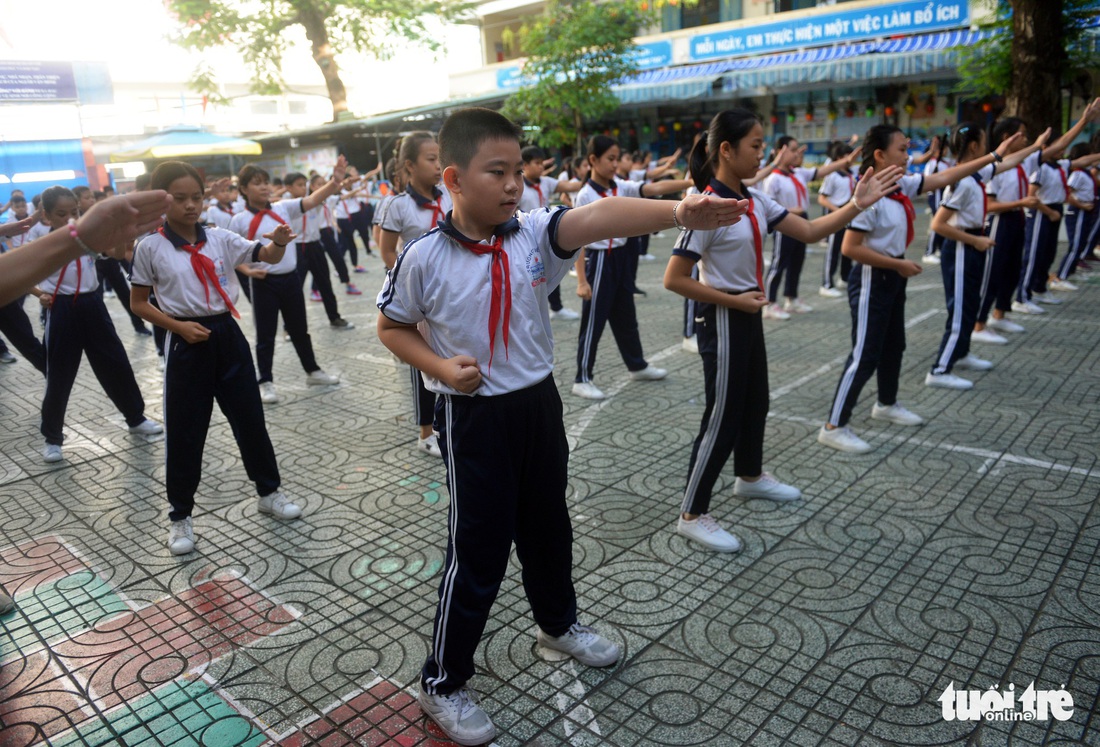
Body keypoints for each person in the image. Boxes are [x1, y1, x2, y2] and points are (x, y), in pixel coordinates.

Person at [376, 107, 746, 747]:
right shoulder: (423, 257)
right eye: (498, 172)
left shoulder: (532, 235)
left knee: (549, 526)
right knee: (478, 551)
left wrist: (678, 213)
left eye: (519, 171)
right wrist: (438, 366)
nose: (514, 184)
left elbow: (598, 217)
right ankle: (443, 681)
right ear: (456, 179)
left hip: (538, 408)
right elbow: (391, 326)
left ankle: (558, 624)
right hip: (475, 418)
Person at [665, 109, 901, 552]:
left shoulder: (754, 200)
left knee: (757, 401)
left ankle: (750, 477)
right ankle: (692, 512)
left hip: (747, 312)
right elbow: (674, 279)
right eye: (755, 145)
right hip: (724, 315)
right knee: (722, 416)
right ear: (726, 150)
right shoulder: (706, 205)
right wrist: (735, 301)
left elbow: (810, 231)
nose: (763, 153)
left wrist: (856, 205)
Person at [817, 124, 1027, 454]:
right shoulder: (868, 194)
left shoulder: (898, 184)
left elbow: (946, 177)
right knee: (864, 354)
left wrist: (994, 155)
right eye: (902, 149)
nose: (909, 155)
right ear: (880, 155)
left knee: (894, 345)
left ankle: (885, 403)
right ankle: (833, 425)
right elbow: (850, 248)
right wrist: (899, 265)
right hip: (874, 277)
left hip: (892, 274)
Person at [130, 161, 301, 556]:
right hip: (187, 342)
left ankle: (269, 492)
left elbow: (266, 257)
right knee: (186, 431)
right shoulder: (150, 246)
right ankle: (179, 516)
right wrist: (177, 326)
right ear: (162, 200)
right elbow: (139, 302)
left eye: (197, 197)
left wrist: (278, 242)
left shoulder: (219, 237)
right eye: (180, 198)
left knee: (250, 419)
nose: (191, 206)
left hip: (227, 335)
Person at [25, 187, 163, 464]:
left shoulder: (86, 234)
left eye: (74, 212)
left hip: (92, 305)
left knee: (115, 362)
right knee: (59, 375)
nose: (69, 218)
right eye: (61, 214)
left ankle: (135, 418)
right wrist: (41, 294)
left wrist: (121, 233)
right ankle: (53, 438)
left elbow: (112, 254)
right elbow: (23, 273)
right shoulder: (38, 238)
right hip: (62, 309)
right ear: (46, 215)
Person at [926, 122, 1049, 390]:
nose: (988, 147)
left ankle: (961, 354)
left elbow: (1008, 162)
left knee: (970, 305)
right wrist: (975, 240)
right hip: (961, 247)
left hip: (972, 245)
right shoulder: (962, 182)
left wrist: (1035, 146)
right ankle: (939, 369)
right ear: (974, 147)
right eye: (984, 142)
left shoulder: (974, 175)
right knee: (959, 311)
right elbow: (938, 225)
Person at [572, 135, 693, 400]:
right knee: (594, 320)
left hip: (623, 258)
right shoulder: (585, 194)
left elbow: (651, 189)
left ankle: (636, 365)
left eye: (617, 158)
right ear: (593, 160)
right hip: (600, 259)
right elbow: (578, 241)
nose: (615, 164)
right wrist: (582, 280)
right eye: (610, 159)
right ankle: (582, 378)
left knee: (626, 317)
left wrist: (692, 182)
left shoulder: (622, 187)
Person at [228, 161, 344, 404]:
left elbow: (311, 200)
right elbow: (229, 254)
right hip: (264, 283)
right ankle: (266, 381)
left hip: (291, 279)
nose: (263, 187)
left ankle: (313, 371)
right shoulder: (239, 219)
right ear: (244, 189)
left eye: (265, 182)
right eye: (256, 183)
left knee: (300, 329)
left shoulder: (283, 208)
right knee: (266, 335)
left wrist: (334, 183)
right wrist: (248, 271)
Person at [379, 132, 453, 457]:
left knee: (450, 355)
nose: (438, 166)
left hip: (452, 289)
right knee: (421, 363)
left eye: (440, 158)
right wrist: (415, 291)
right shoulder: (398, 205)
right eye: (431, 159)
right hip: (419, 294)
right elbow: (386, 253)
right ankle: (426, 433)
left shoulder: (451, 195)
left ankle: (449, 418)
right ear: (409, 165)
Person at [760, 136, 860, 320]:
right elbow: (766, 207)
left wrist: (845, 161)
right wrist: (789, 210)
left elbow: (821, 172)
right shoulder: (773, 178)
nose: (798, 153)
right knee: (779, 263)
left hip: (802, 221)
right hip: (784, 222)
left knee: (797, 262)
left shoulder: (797, 173)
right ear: (781, 151)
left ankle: (791, 298)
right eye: (793, 149)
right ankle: (770, 303)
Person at [517, 145, 583, 320]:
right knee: (529, 277)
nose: (540, 167)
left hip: (544, 233)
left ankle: (556, 307)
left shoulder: (546, 182)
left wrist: (588, 178)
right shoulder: (518, 184)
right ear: (524, 165)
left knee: (552, 270)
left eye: (541, 163)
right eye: (536, 163)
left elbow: (568, 186)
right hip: (524, 237)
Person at [284, 171, 354, 330]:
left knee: (325, 284)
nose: (303, 188)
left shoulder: (313, 201)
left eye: (304, 185)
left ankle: (335, 318)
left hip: (315, 246)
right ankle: (290, 326)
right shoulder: (285, 206)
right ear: (288, 188)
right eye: (299, 185)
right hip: (296, 247)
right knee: (295, 289)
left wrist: (336, 181)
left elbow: (322, 195)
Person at [1052, 142, 1098, 286]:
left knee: (1081, 244)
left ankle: (1070, 271)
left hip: (1085, 211)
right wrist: (1081, 205)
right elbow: (1068, 193)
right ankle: (1060, 277)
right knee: (1075, 245)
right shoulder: (1077, 174)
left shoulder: (1085, 173)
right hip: (1078, 212)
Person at [817, 141, 857, 298]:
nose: (852, 159)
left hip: (849, 215)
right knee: (833, 251)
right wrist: (839, 211)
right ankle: (826, 284)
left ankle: (845, 277)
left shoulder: (851, 173)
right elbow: (822, 199)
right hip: (837, 216)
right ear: (840, 157)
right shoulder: (832, 176)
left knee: (847, 249)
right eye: (849, 155)